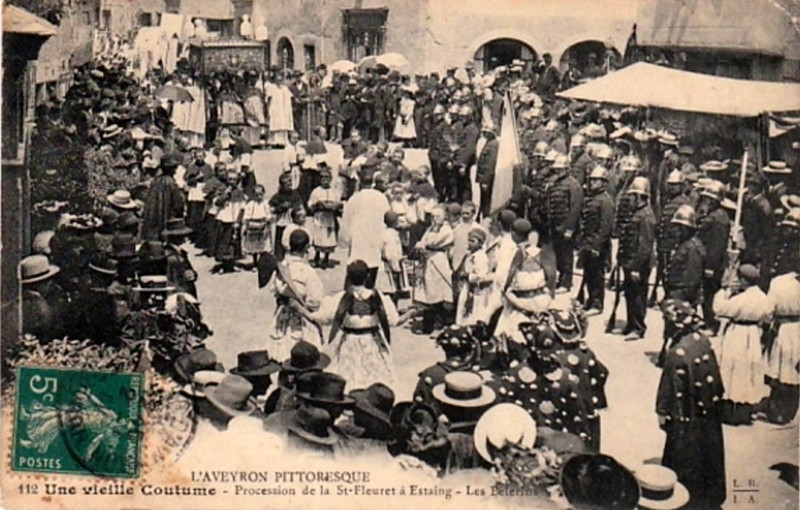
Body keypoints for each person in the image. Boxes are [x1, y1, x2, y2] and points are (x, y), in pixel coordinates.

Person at [657, 300, 726, 509]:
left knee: (683, 456)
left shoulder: (676, 353)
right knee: (708, 453)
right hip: (708, 412)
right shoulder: (703, 341)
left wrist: (662, 413)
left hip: (686, 416)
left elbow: (668, 390)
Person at [310, 260, 399, 389]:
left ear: (348, 276)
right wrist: (411, 314)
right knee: (374, 383)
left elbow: (323, 318)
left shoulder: (340, 298)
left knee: (348, 382)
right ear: (368, 276)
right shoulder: (379, 297)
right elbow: (393, 320)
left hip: (349, 343)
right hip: (372, 343)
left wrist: (304, 311)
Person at [713, 264, 773, 425]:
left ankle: (731, 411)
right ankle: (746, 409)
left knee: (733, 369)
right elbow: (768, 315)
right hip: (753, 333)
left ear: (745, 281)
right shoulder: (763, 297)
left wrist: (724, 292)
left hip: (737, 333)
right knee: (749, 371)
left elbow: (720, 309)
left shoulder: (740, 299)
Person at [492, 219, 552, 361]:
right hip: (539, 297)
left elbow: (506, 274)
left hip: (519, 298)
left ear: (513, 233)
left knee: (509, 329)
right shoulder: (540, 250)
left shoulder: (516, 252)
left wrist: (505, 290)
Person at [269, 229, 324, 361]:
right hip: (301, 318)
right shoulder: (308, 272)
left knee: (282, 355)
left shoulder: (282, 268)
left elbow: (274, 291)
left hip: (282, 316)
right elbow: (316, 301)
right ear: (306, 247)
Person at [616, 176, 656, 340]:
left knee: (638, 296)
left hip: (638, 264)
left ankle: (638, 327)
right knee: (630, 294)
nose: (630, 199)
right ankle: (631, 324)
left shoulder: (645, 216)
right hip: (630, 261)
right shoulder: (637, 213)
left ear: (639, 197)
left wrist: (636, 268)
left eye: (632, 196)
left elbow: (644, 246)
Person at [340, 173, 390, 288]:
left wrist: (345, 240)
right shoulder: (381, 198)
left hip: (358, 238)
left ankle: (350, 294)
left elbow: (346, 220)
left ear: (359, 183)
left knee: (355, 267)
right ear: (372, 183)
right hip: (375, 237)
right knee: (372, 266)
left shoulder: (354, 198)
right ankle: (368, 292)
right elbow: (387, 217)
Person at [543, 154, 584, 292]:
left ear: (567, 169)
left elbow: (575, 208)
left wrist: (570, 229)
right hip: (555, 224)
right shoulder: (555, 183)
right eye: (557, 169)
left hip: (566, 226)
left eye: (561, 169)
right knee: (558, 255)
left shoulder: (573, 185)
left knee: (566, 256)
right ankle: (560, 279)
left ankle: (566, 283)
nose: (558, 171)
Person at [654, 170, 693, 305]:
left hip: (673, 243)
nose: (672, 187)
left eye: (675, 185)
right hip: (664, 243)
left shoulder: (684, 202)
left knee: (671, 273)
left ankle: (669, 298)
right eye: (670, 184)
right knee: (662, 271)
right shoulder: (668, 200)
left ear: (681, 186)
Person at [414, 206, 455, 335]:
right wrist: (421, 244)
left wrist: (424, 244)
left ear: (444, 217)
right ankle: (428, 325)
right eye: (432, 216)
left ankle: (439, 324)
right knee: (428, 291)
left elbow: (432, 242)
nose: (434, 219)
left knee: (439, 292)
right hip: (428, 260)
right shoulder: (431, 228)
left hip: (439, 259)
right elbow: (422, 241)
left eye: (437, 216)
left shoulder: (446, 230)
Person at [579, 165, 614, 314]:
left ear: (604, 183)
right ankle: (590, 299)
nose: (593, 183)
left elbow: (605, 227)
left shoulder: (605, 201)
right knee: (589, 273)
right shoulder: (593, 199)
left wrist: (597, 246)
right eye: (592, 180)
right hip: (588, 241)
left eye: (596, 180)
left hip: (597, 244)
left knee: (597, 275)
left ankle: (597, 303)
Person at [697, 180, 730, 334]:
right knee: (705, 294)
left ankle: (712, 324)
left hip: (713, 264)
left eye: (708, 198)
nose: (705, 201)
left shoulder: (720, 219)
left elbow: (717, 246)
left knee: (710, 294)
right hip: (706, 261)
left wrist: (710, 267)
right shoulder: (712, 215)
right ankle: (707, 321)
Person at [140, 152, 185, 241]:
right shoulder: (171, 183)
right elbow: (178, 203)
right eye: (174, 168)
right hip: (166, 219)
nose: (175, 170)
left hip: (153, 219)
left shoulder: (156, 181)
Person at [307, 168, 341, 269]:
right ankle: (317, 257)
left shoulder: (333, 191)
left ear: (330, 179)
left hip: (330, 218)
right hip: (320, 217)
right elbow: (310, 204)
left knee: (329, 238)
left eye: (327, 177)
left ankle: (326, 258)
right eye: (322, 177)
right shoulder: (316, 191)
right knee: (319, 236)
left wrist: (335, 206)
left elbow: (338, 202)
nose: (325, 180)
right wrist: (316, 205)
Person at [455, 228, 491, 324]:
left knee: (473, 310)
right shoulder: (469, 254)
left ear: (480, 243)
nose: (470, 243)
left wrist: (468, 276)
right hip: (467, 286)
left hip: (476, 289)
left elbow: (481, 275)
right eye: (469, 240)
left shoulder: (481, 256)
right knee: (462, 306)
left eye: (473, 241)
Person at [269, 173, 304, 260]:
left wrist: (293, 207)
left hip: (292, 222)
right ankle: (279, 258)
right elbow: (271, 209)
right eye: (286, 183)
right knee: (280, 241)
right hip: (281, 222)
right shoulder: (277, 196)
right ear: (281, 184)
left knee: (291, 240)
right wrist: (280, 207)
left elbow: (299, 205)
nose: (289, 184)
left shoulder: (295, 194)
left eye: (290, 182)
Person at [241, 184, 273, 269]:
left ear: (263, 194)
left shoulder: (266, 204)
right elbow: (247, 216)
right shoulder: (250, 204)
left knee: (263, 245)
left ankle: (262, 263)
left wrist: (267, 221)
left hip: (263, 225)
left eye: (260, 194)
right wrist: (246, 224)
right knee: (254, 246)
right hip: (253, 225)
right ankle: (255, 263)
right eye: (256, 195)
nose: (258, 196)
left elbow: (268, 214)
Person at [475, 126, 499, 220]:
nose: (484, 134)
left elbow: (490, 164)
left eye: (486, 132)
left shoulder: (493, 145)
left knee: (486, 202)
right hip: (483, 177)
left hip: (486, 179)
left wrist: (486, 181)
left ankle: (486, 219)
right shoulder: (489, 143)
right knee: (483, 201)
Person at [265, 72, 294, 148]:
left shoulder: (285, 88)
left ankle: (282, 142)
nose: (279, 80)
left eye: (281, 79)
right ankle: (273, 142)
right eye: (277, 78)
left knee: (283, 124)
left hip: (283, 109)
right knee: (274, 124)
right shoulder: (271, 87)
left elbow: (290, 97)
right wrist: (268, 109)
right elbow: (268, 98)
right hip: (275, 108)